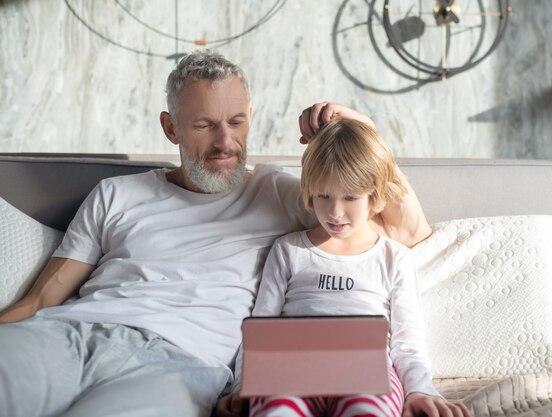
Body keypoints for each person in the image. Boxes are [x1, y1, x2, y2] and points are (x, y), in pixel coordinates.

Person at [0, 50, 432, 417]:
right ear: (171, 128)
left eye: (237, 122)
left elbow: (404, 229)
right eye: (204, 125)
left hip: (179, 366)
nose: (225, 141)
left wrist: (362, 125)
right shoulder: (116, 194)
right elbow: (39, 300)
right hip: (69, 335)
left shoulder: (282, 194)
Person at [222, 119, 470, 417]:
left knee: (367, 410)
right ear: (310, 192)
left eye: (350, 197)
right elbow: (259, 332)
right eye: (324, 196)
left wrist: (420, 389)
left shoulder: (393, 257)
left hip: (365, 368)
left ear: (374, 196)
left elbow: (408, 343)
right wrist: (241, 386)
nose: (335, 212)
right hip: (291, 366)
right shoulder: (289, 250)